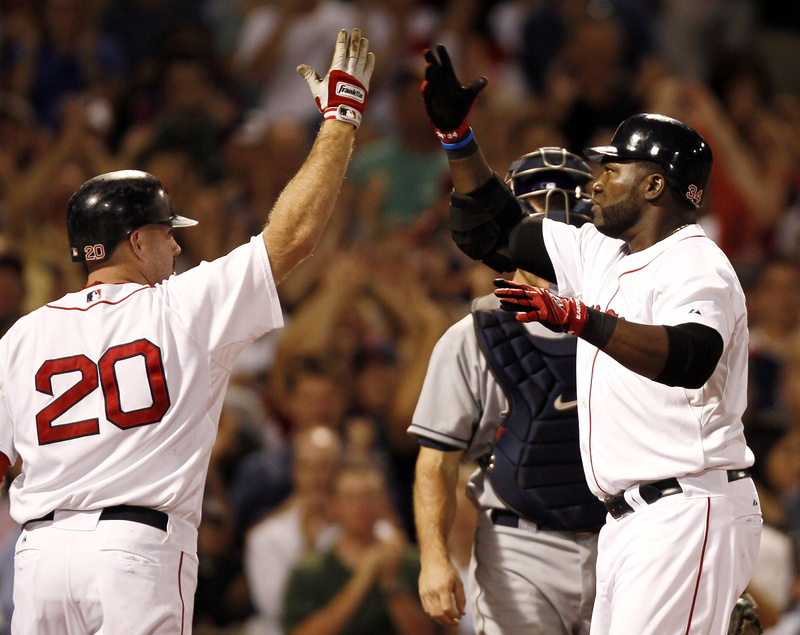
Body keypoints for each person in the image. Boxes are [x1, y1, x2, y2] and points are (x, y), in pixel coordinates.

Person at [0, 28, 375, 634]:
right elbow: (295, 236)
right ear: (136, 239)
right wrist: (341, 119)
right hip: (132, 551)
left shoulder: (22, 335)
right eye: (166, 231)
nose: (176, 244)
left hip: (39, 558)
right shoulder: (181, 305)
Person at [419, 45, 762, 635]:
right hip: (629, 522)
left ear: (654, 185)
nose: (595, 182)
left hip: (685, 508)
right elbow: (492, 229)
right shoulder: (603, 253)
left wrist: (580, 319)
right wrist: (457, 138)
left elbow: (690, 356)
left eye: (612, 169)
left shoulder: (695, 262)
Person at [410, 147, 606, 634]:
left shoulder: (629, 323)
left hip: (623, 536)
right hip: (522, 547)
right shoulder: (473, 334)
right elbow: (436, 459)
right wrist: (434, 559)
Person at [282, 459, 435, 635]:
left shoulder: (415, 563)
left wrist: (391, 584)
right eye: (349, 497)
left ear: (386, 501)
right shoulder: (309, 571)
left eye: (369, 496)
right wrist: (361, 581)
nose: (360, 506)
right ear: (333, 505)